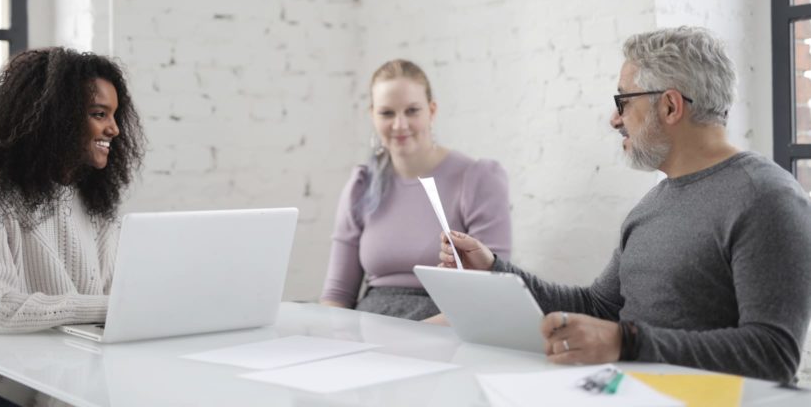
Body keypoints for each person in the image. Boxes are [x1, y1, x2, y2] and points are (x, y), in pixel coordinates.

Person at [439, 26, 811, 383]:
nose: (614, 119)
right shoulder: (653, 204)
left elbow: (774, 354)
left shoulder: (766, 198)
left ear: (669, 106)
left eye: (623, 101)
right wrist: (493, 269)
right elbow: (599, 307)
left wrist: (627, 342)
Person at [0, 47, 144, 405]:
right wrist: (116, 306)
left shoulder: (94, 200)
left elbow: (109, 294)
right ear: (54, 118)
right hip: (2, 389)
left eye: (115, 114)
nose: (114, 128)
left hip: (73, 378)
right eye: (98, 114)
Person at [320, 59, 512, 320]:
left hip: (444, 327)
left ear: (431, 111)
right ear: (372, 115)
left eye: (412, 111)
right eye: (387, 113)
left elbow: (490, 291)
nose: (400, 125)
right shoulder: (362, 185)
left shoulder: (478, 179)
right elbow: (337, 295)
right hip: (370, 329)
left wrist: (408, 338)